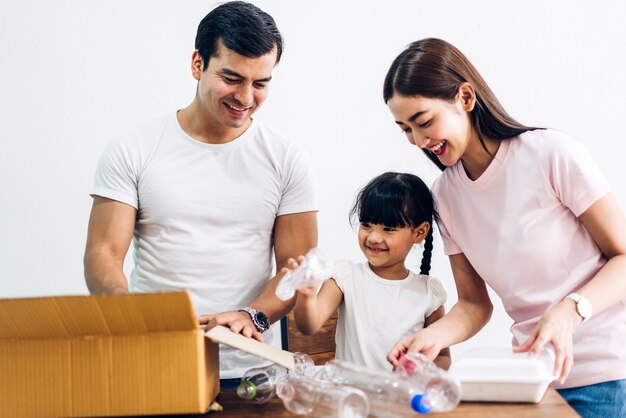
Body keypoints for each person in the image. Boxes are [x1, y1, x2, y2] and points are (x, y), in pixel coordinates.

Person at [383, 37, 626, 417]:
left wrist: (569, 310)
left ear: (465, 97)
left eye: (424, 122)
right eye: (405, 130)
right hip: (530, 378)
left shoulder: (550, 154)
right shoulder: (445, 195)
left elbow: (624, 257)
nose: (418, 141)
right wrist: (430, 337)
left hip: (604, 374)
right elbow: (474, 304)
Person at [84, 1, 318, 383]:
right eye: (232, 78)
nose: (245, 97)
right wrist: (126, 312)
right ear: (197, 64)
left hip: (252, 371)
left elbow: (298, 267)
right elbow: (103, 252)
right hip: (155, 361)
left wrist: (251, 316)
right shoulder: (133, 148)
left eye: (260, 83)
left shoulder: (287, 158)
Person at [293, 172, 450, 371]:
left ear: (419, 232)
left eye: (388, 229)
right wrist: (306, 296)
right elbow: (309, 326)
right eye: (366, 225)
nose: (374, 237)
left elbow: (443, 358)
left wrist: (419, 369)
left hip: (399, 398)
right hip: (352, 397)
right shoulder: (345, 276)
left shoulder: (429, 291)